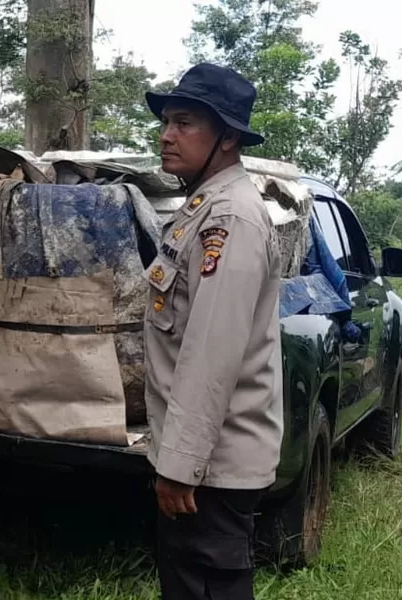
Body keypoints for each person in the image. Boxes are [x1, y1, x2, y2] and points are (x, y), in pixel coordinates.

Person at [141, 63, 283, 600]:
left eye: (184, 123)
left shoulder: (233, 220)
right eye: (166, 122)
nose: (166, 135)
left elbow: (210, 354)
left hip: (212, 470)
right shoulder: (202, 208)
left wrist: (179, 465)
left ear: (226, 138)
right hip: (201, 460)